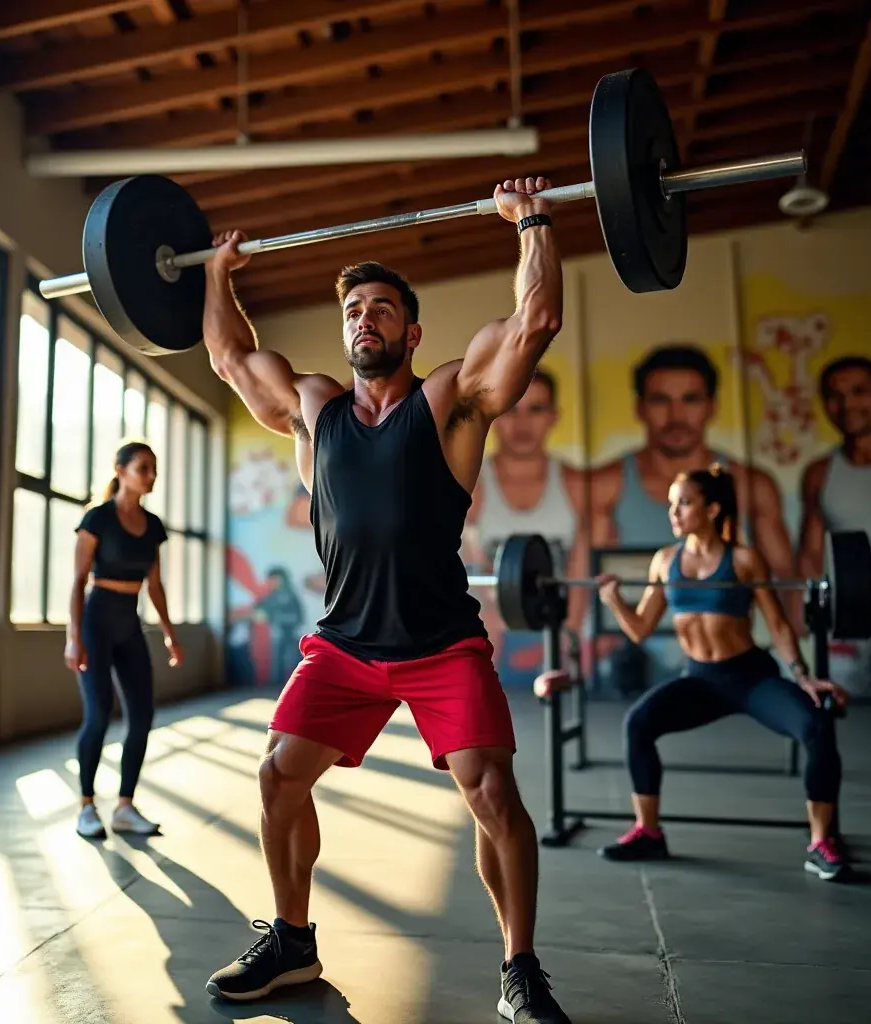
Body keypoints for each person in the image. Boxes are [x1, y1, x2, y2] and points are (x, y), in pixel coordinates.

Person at [202, 177, 573, 1024]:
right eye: (352, 310)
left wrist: (535, 224)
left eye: (379, 308)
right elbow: (229, 359)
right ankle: (293, 942)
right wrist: (217, 275)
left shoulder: (450, 402)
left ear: (411, 329)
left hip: (441, 641)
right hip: (344, 646)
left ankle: (519, 968)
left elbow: (534, 323)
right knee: (277, 777)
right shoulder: (312, 409)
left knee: (490, 795)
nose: (362, 319)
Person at [590, 463, 850, 881]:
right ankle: (648, 832)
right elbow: (639, 629)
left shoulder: (744, 560)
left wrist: (803, 676)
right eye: (672, 504)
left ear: (712, 509)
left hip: (751, 679)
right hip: (700, 681)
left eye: (684, 503)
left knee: (816, 726)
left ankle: (822, 842)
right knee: (638, 723)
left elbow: (780, 625)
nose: (673, 512)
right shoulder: (665, 561)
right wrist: (614, 599)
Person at [589, 344, 802, 632]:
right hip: (642, 659)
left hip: (734, 651)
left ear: (711, 406)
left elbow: (788, 586)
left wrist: (798, 666)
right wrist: (611, 602)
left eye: (690, 399)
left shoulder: (755, 485)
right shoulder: (608, 483)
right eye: (660, 400)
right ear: (640, 408)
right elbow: (590, 588)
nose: (676, 415)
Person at [65, 440, 184, 840]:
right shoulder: (97, 519)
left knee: (143, 716)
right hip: (96, 622)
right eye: (143, 468)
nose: (151, 476)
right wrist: (73, 637)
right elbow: (78, 581)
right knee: (98, 715)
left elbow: (155, 585)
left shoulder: (152, 526)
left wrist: (169, 634)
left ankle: (124, 807)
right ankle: (86, 808)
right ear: (120, 470)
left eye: (154, 469)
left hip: (129, 624)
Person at [463, 369, 589, 666]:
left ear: (553, 416)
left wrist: (562, 641)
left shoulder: (577, 484)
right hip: (487, 639)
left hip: (561, 638)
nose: (522, 423)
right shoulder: (471, 484)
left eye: (535, 409)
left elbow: (581, 576)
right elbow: (471, 570)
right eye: (511, 410)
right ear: (494, 415)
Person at [798, 355, 871, 691]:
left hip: (869, 593)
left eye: (859, 391)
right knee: (843, 700)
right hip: (850, 608)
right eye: (835, 395)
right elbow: (809, 553)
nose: (847, 404)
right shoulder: (820, 473)